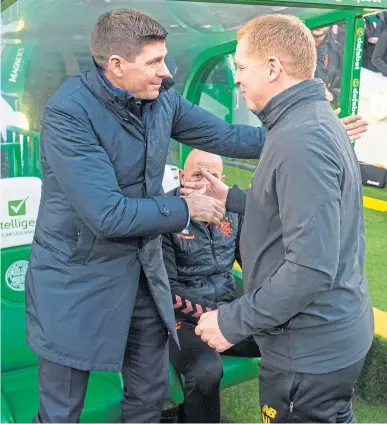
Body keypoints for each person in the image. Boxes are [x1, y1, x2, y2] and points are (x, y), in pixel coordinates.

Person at [26, 8, 368, 423]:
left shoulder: (162, 96)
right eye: (154, 62)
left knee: (148, 396)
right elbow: (107, 214)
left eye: (165, 58)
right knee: (62, 407)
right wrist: (187, 207)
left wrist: (295, 129)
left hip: (141, 276)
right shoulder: (69, 112)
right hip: (77, 282)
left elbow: (224, 135)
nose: (166, 72)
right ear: (116, 66)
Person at [193, 14, 374, 423]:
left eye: (241, 67)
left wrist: (231, 320)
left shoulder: (300, 139)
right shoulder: (302, 119)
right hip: (325, 338)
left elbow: (310, 268)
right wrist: (234, 198)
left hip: (309, 349)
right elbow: (294, 205)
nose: (236, 79)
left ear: (273, 67)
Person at [162, 149, 260, 423]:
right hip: (181, 322)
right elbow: (165, 291)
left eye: (212, 176)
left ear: (222, 179)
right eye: (196, 175)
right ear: (182, 176)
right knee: (206, 369)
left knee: (287, 338)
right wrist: (219, 316)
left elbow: (252, 263)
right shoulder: (165, 213)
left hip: (226, 314)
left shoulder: (232, 212)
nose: (204, 184)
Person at [312, 26, 343, 106]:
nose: (319, 23)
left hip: (323, 109)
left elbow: (345, 87)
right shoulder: (292, 45)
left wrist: (332, 95)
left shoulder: (338, 49)